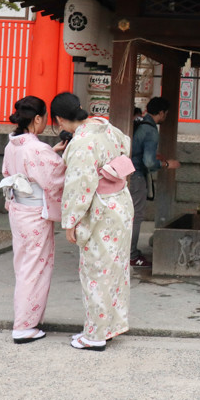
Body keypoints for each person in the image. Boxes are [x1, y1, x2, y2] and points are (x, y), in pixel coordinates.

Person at [51, 92, 134, 351]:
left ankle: (95, 335)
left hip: (100, 211)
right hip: (121, 203)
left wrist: (70, 221)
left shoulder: (82, 143)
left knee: (96, 272)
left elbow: (79, 185)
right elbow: (126, 146)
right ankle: (111, 326)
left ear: (59, 120)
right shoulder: (106, 127)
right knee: (116, 269)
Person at [0, 96, 66, 345]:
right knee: (35, 269)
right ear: (37, 119)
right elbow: (55, 179)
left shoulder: (13, 144)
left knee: (24, 265)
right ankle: (25, 325)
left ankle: (25, 320)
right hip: (35, 214)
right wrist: (62, 159)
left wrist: (53, 154)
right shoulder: (37, 149)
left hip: (18, 209)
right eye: (44, 118)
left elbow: (12, 172)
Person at [128, 96, 180, 267]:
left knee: (127, 215)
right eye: (166, 114)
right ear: (162, 112)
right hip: (136, 176)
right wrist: (167, 164)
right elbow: (149, 162)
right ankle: (132, 255)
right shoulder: (150, 130)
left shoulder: (139, 121)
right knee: (135, 217)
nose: (166, 117)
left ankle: (126, 251)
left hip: (125, 173)